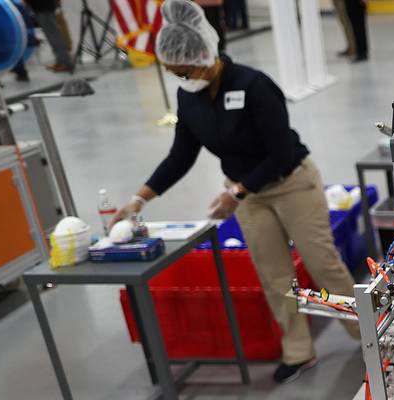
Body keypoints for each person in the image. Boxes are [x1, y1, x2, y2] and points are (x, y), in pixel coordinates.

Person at [109, 0, 359, 384]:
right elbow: (181, 154)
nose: (183, 79)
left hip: (292, 182)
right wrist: (140, 197)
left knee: (322, 263)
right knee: (274, 275)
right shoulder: (188, 96)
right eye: (176, 74)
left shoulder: (254, 85)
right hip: (247, 196)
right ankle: (298, 351)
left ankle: (367, 333)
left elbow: (280, 153)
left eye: (186, 70)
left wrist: (237, 193)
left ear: (206, 54)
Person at [24, 0, 74, 72]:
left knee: (54, 35)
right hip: (43, 7)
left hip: (43, 7)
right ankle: (60, 61)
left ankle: (64, 62)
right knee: (52, 36)